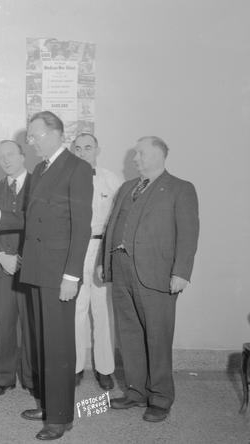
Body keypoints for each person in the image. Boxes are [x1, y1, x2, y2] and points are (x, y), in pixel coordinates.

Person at [0, 111, 93, 440]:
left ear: (56, 133)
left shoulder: (78, 168)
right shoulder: (42, 169)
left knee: (58, 346)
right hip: (37, 269)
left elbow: (81, 226)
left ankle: (61, 416)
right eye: (29, 137)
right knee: (41, 343)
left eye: (35, 136)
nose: (31, 142)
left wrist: (72, 275)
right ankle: (48, 402)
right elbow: (30, 216)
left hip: (59, 272)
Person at [102, 136, 199, 422]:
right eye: (135, 154)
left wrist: (181, 272)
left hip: (157, 274)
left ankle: (160, 398)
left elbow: (188, 234)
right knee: (129, 334)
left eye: (140, 154)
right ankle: (135, 392)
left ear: (158, 154)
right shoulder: (126, 187)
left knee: (157, 337)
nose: (135, 159)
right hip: (121, 270)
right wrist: (104, 263)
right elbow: (111, 227)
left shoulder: (181, 189)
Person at [0, 140, 34, 397]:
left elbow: (42, 228)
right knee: (5, 324)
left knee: (33, 327)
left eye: (11, 154)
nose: (6, 160)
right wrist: (1, 256)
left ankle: (33, 379)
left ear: (23, 156)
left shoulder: (40, 186)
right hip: (2, 269)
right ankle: (4, 378)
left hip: (33, 269)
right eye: (1, 158)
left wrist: (22, 259)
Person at [69, 133, 121, 390]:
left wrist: (108, 255)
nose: (82, 152)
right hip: (75, 248)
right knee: (76, 311)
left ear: (97, 150)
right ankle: (76, 367)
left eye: (87, 148)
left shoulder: (112, 180)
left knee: (101, 312)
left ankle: (105, 369)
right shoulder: (65, 180)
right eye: (77, 148)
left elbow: (119, 220)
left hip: (101, 248)